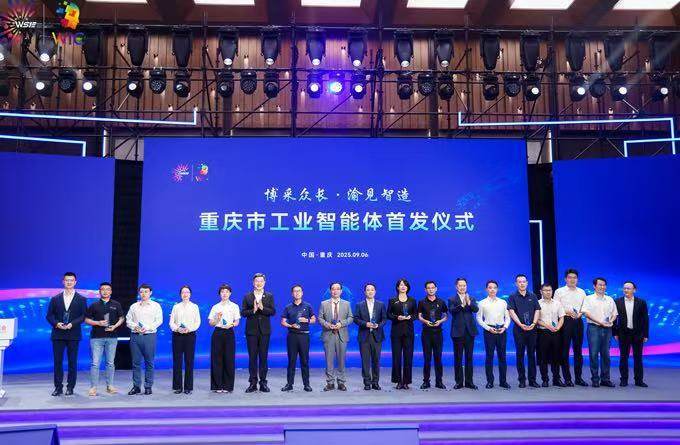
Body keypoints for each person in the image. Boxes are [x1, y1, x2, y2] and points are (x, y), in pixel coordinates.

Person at [46, 272, 88, 396]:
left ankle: (70, 387)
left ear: (75, 282)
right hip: (58, 334)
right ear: (63, 282)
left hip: (73, 334)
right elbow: (49, 316)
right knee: (57, 362)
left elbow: (83, 316)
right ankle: (58, 387)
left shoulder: (81, 299)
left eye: (71, 280)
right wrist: (57, 323)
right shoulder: (55, 299)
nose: (69, 282)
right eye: (67, 280)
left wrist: (72, 324)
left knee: (72, 362)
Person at [84, 282, 124, 397]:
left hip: (112, 337)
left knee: (110, 363)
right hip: (96, 338)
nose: (105, 291)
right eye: (103, 289)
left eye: (107, 289)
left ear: (111, 291)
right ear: (99, 291)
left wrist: (115, 326)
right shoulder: (94, 305)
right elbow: (86, 319)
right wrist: (98, 323)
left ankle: (110, 386)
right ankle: (93, 387)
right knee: (95, 363)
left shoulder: (116, 304)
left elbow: (122, 318)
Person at [125, 284, 163, 395]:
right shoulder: (134, 306)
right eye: (141, 291)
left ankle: (148, 386)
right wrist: (135, 327)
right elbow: (128, 320)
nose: (144, 294)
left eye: (146, 291)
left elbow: (159, 321)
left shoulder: (156, 306)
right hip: (135, 336)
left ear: (150, 293)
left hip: (149, 336)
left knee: (149, 362)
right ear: (139, 293)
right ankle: (136, 386)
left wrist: (147, 327)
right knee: (135, 362)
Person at [241, 273, 275, 393]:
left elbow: (273, 311)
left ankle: (263, 383)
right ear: (253, 283)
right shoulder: (247, 296)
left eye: (261, 281)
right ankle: (253, 383)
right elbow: (243, 313)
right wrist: (253, 310)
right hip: (251, 332)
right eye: (257, 281)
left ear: (264, 283)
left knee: (263, 358)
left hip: (265, 331)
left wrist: (262, 308)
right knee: (252, 358)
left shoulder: (269, 296)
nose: (259, 283)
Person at [553, 268, 588, 387]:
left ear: (577, 279)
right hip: (565, 321)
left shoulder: (582, 292)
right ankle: (567, 378)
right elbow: (556, 307)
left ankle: (578, 378)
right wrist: (567, 312)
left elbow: (584, 307)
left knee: (578, 350)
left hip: (578, 321)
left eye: (574, 278)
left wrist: (580, 314)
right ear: (565, 279)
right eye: (570, 277)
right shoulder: (559, 291)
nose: (572, 280)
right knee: (565, 350)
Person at [581, 277, 618, 388]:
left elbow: (614, 314)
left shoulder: (610, 299)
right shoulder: (588, 298)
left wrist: (610, 321)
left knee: (606, 354)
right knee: (593, 354)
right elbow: (586, 313)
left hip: (607, 329)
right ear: (594, 286)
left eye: (604, 285)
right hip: (594, 328)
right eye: (600, 285)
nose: (602, 287)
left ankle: (605, 379)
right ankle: (595, 379)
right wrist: (600, 322)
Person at [318, 282, 353, 391]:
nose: (335, 291)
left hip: (342, 335)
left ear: (341, 291)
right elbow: (320, 318)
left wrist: (341, 324)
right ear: (330, 291)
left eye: (338, 289)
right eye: (333, 289)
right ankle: (330, 382)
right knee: (329, 360)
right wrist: (327, 325)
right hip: (328, 335)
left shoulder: (347, 304)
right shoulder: (324, 304)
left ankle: (341, 382)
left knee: (341, 360)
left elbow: (351, 318)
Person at [507, 274, 541, 388]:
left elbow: (537, 310)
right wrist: (520, 324)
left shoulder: (533, 296)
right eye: (519, 282)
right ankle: (521, 380)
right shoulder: (512, 296)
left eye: (524, 281)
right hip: (519, 329)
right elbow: (511, 311)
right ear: (516, 284)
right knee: (520, 354)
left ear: (527, 283)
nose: (522, 283)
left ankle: (532, 380)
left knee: (532, 354)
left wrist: (534, 323)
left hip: (532, 329)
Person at [613, 281, 649, 387]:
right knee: (623, 357)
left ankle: (639, 380)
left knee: (638, 358)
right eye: (624, 288)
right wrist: (615, 332)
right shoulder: (617, 302)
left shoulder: (641, 302)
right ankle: (624, 380)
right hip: (623, 334)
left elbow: (645, 319)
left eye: (628, 288)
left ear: (634, 290)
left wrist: (645, 334)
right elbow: (614, 318)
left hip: (638, 334)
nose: (626, 290)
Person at [281, 284, 316, 392]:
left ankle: (306, 384)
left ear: (302, 293)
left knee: (304, 361)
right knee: (291, 361)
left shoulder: (308, 306)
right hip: (292, 336)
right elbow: (283, 322)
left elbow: (314, 319)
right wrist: (290, 325)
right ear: (292, 294)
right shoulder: (288, 307)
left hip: (304, 336)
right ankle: (289, 384)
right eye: (295, 291)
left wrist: (307, 320)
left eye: (299, 291)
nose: (297, 293)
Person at [476, 280, 511, 389]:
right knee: (489, 357)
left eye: (494, 287)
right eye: (490, 288)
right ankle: (490, 381)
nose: (492, 290)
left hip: (501, 331)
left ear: (497, 289)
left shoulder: (503, 302)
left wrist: (505, 327)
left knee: (502, 357)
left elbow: (507, 317)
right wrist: (488, 328)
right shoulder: (482, 303)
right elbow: (478, 318)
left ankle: (503, 381)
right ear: (486, 289)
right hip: (489, 331)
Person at [354, 283, 387, 390]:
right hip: (364, 336)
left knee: (376, 360)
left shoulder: (380, 304)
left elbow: (384, 319)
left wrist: (378, 325)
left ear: (375, 292)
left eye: (372, 290)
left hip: (377, 336)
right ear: (365, 292)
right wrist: (365, 324)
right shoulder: (359, 305)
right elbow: (356, 319)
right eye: (368, 290)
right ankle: (367, 382)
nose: (370, 292)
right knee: (365, 361)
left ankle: (375, 382)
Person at [209, 284, 241, 393]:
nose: (224, 293)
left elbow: (237, 321)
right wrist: (216, 319)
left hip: (229, 332)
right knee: (216, 359)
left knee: (229, 359)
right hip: (218, 333)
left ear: (230, 293)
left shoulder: (234, 306)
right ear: (219, 294)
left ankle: (227, 386)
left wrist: (231, 324)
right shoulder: (215, 307)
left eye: (227, 291)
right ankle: (217, 386)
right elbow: (211, 323)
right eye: (222, 291)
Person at [169, 285, 201, 394]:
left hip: (190, 335)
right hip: (177, 335)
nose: (185, 294)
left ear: (190, 294)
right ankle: (178, 387)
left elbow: (197, 322)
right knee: (177, 361)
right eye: (183, 292)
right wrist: (177, 329)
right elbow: (171, 322)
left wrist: (189, 329)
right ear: (180, 294)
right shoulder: (176, 307)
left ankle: (188, 387)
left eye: (187, 292)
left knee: (189, 361)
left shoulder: (194, 307)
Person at [387, 278, 418, 390]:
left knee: (408, 357)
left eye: (405, 285)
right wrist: (397, 317)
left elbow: (416, 314)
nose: (403, 286)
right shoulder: (392, 300)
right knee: (396, 357)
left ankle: (406, 381)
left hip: (409, 332)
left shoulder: (412, 300)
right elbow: (388, 314)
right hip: (396, 332)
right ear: (397, 287)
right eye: (401, 285)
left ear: (408, 287)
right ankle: (398, 381)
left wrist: (411, 317)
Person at [449, 277, 479, 390]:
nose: (462, 287)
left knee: (469, 357)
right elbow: (452, 311)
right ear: (456, 286)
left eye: (464, 285)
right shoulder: (452, 299)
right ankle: (459, 382)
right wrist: (462, 304)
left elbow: (476, 309)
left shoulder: (471, 298)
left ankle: (469, 382)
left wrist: (469, 303)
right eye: (460, 285)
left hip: (469, 332)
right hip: (457, 332)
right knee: (458, 358)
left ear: (466, 286)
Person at [417, 281, 448, 389]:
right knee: (427, 358)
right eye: (428, 288)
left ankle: (439, 381)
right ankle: (426, 381)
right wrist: (426, 321)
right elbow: (419, 316)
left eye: (432, 287)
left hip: (438, 333)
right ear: (425, 290)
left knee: (438, 358)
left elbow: (446, 316)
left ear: (436, 289)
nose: (431, 289)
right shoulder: (421, 302)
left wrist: (440, 321)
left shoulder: (441, 302)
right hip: (426, 333)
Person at [536, 283, 566, 387]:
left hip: (555, 332)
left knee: (556, 357)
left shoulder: (557, 303)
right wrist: (548, 326)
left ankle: (556, 379)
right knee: (543, 357)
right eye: (545, 290)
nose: (548, 292)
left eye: (549, 290)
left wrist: (558, 327)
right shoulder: (537, 303)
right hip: (542, 332)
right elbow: (536, 320)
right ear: (541, 292)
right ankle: (545, 379)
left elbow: (562, 317)